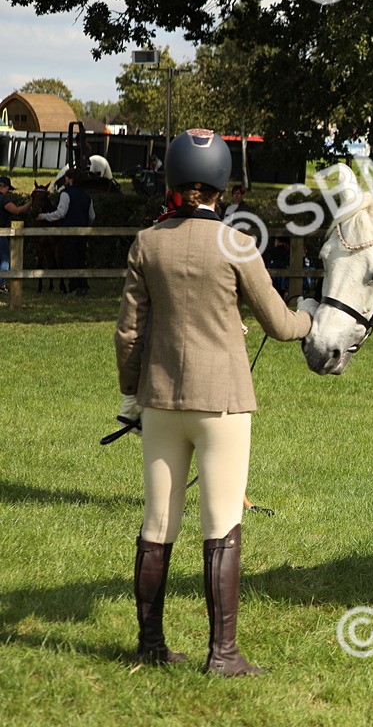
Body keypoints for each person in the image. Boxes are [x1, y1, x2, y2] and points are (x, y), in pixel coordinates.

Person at [114, 129, 318, 676]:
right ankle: (222, 653)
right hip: (222, 403)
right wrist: (308, 319)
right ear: (222, 184)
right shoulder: (236, 244)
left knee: (157, 522)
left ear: (173, 179)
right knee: (222, 522)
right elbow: (277, 323)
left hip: (159, 402)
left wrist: (133, 392)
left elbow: (129, 333)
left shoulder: (147, 243)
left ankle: (151, 645)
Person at [36, 169, 95, 294]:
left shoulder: (65, 194)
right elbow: (92, 216)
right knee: (81, 259)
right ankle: (83, 286)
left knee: (71, 259)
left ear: (71, 179)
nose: (66, 181)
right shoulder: (87, 196)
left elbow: (60, 213)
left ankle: (74, 287)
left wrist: (44, 216)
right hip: (83, 232)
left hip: (69, 231)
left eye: (67, 178)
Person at [0, 176, 33, 294]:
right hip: (1, 232)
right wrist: (30, 203)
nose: (8, 192)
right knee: (4, 259)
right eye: (8, 189)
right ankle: (1, 283)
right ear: (4, 187)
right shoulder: (3, 199)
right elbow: (17, 211)